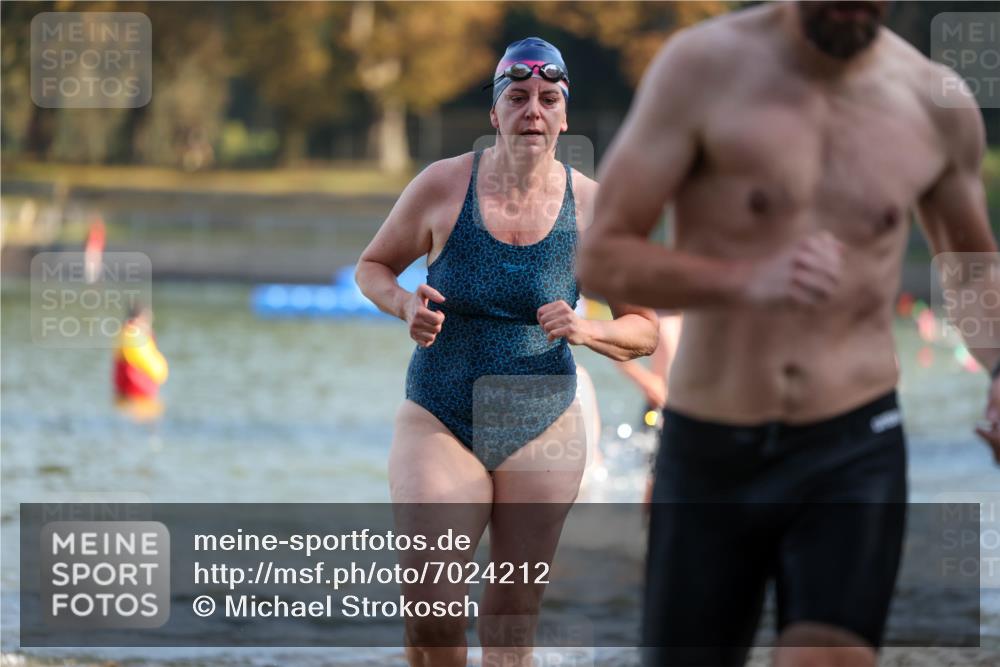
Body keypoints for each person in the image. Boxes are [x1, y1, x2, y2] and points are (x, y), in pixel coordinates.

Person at [578, 2, 1000, 666]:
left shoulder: (932, 102)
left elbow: (972, 272)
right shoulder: (702, 68)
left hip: (854, 441)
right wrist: (745, 279)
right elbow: (602, 257)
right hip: (711, 443)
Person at [355, 37, 659, 667]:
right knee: (432, 609)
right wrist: (405, 304)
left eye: (549, 99)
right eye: (517, 98)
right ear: (494, 113)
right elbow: (373, 266)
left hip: (543, 420)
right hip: (441, 410)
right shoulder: (442, 186)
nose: (533, 111)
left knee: (509, 623)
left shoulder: (593, 208)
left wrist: (586, 329)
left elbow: (643, 330)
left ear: (565, 115)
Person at [113, 302, 169, 422]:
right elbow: (151, 365)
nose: (149, 323)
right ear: (139, 318)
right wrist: (162, 372)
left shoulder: (127, 334)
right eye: (147, 319)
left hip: (130, 395)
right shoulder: (132, 335)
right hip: (136, 395)